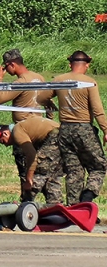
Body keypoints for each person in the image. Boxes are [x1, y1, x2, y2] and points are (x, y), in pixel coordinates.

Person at [52, 51, 107, 204]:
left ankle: (75, 208)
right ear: (87, 65)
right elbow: (97, 110)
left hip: (64, 130)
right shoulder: (89, 82)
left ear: (70, 64)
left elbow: (43, 96)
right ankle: (87, 197)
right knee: (99, 167)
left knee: (73, 171)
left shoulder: (58, 80)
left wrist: (50, 104)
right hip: (84, 129)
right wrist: (105, 130)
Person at [0, 117, 63, 205]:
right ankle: (55, 204)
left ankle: (26, 202)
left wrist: (28, 180)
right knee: (53, 173)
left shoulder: (17, 132)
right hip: (62, 135)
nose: (6, 145)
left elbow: (32, 156)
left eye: (3, 142)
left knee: (40, 170)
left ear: (6, 133)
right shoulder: (22, 129)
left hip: (54, 136)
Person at [0, 49, 56, 121]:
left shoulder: (20, 82)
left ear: (12, 65)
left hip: (23, 126)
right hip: (39, 122)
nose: (6, 70)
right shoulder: (39, 77)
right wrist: (49, 120)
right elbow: (48, 102)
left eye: (6, 66)